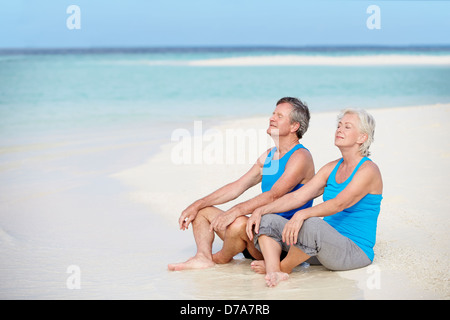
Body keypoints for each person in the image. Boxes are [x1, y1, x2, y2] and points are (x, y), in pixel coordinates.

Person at [168, 97, 315, 271]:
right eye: (273, 113)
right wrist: (197, 203)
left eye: (279, 116)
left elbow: (273, 195)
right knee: (202, 212)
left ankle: (222, 257)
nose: (272, 118)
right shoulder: (270, 155)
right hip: (254, 231)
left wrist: (235, 211)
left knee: (238, 223)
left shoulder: (300, 157)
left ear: (294, 126)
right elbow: (238, 186)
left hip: (277, 241)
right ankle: (203, 257)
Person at [246, 108, 383, 287]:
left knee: (311, 222)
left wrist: (302, 215)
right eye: (339, 125)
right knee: (268, 219)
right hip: (321, 249)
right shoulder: (331, 168)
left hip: (353, 252)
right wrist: (261, 210)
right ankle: (273, 271)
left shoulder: (369, 170)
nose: (339, 130)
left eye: (347, 127)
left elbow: (339, 203)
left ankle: (283, 267)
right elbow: (298, 196)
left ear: (362, 138)